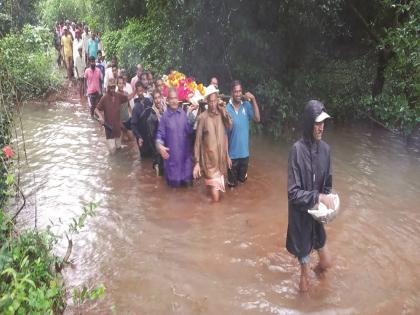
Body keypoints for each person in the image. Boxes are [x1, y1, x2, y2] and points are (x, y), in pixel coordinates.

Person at [286, 100, 334, 292]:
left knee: (326, 264)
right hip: (301, 219)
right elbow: (293, 193)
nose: (321, 127)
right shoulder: (297, 151)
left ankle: (317, 276)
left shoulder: (326, 150)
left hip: (317, 218)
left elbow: (327, 186)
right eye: (317, 123)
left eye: (323, 123)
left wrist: (328, 203)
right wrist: (318, 198)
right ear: (308, 124)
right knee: (304, 283)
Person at [193, 85, 232, 202]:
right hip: (210, 163)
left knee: (217, 196)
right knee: (216, 198)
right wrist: (197, 163)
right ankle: (214, 218)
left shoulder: (221, 114)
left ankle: (205, 204)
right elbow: (198, 141)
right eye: (210, 101)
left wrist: (228, 156)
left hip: (221, 162)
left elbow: (229, 126)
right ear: (206, 102)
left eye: (215, 101)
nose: (213, 104)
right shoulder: (202, 118)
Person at [156, 88, 195, 187]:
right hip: (172, 165)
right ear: (167, 101)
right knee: (173, 196)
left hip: (186, 164)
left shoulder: (183, 114)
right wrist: (160, 146)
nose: (174, 101)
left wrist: (191, 118)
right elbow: (159, 135)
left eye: (175, 98)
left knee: (188, 193)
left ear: (178, 100)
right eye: (171, 99)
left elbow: (190, 133)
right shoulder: (164, 118)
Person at [226, 80, 260, 186]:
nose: (238, 94)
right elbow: (224, 136)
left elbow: (257, 118)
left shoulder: (246, 105)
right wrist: (226, 156)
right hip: (232, 156)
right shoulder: (226, 109)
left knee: (242, 185)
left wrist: (253, 99)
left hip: (245, 155)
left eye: (240, 91)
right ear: (232, 92)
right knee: (231, 187)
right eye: (236, 91)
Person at [95, 78, 136, 154]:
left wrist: (136, 91)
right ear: (107, 87)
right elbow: (96, 109)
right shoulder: (104, 98)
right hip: (109, 129)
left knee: (119, 150)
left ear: (115, 87)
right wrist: (100, 117)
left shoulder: (118, 96)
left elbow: (128, 98)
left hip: (117, 129)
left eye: (113, 87)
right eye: (110, 87)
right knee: (112, 152)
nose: (112, 89)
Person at [131, 81, 153, 158]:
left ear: (143, 90)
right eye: (138, 91)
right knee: (144, 159)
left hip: (150, 137)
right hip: (142, 139)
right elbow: (133, 125)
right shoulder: (136, 107)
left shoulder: (148, 101)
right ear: (136, 92)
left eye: (141, 91)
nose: (140, 93)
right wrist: (139, 137)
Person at [116, 75, 134, 142]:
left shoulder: (126, 94)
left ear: (124, 84)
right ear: (117, 84)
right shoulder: (115, 96)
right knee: (121, 142)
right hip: (119, 122)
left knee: (131, 139)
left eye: (122, 83)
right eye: (119, 83)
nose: (121, 85)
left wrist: (132, 116)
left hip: (127, 119)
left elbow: (129, 106)